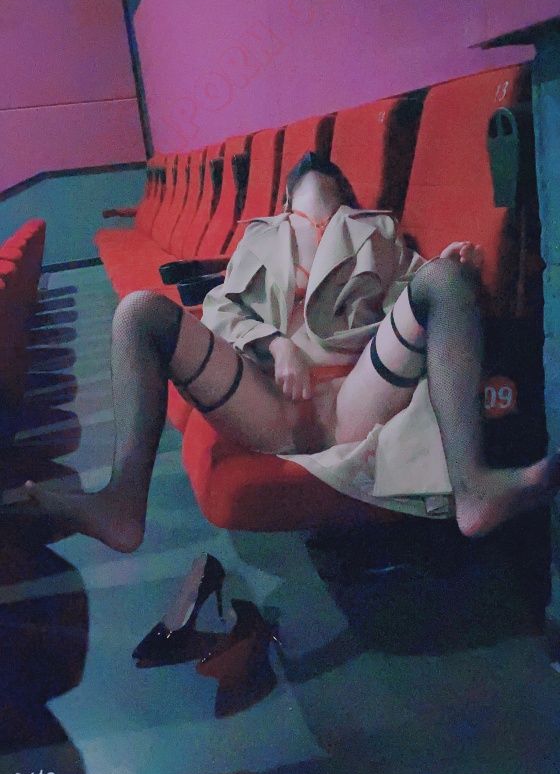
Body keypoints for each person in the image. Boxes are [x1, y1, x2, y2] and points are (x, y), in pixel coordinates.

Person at [21, 151, 559, 552]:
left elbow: (412, 303)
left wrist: (449, 267)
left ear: (342, 194)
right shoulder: (260, 235)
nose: (312, 174)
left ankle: (474, 489)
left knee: (443, 279)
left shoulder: (377, 227)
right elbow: (221, 311)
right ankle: (121, 504)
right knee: (138, 312)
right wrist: (277, 343)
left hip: (355, 396)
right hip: (268, 404)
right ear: (285, 202)